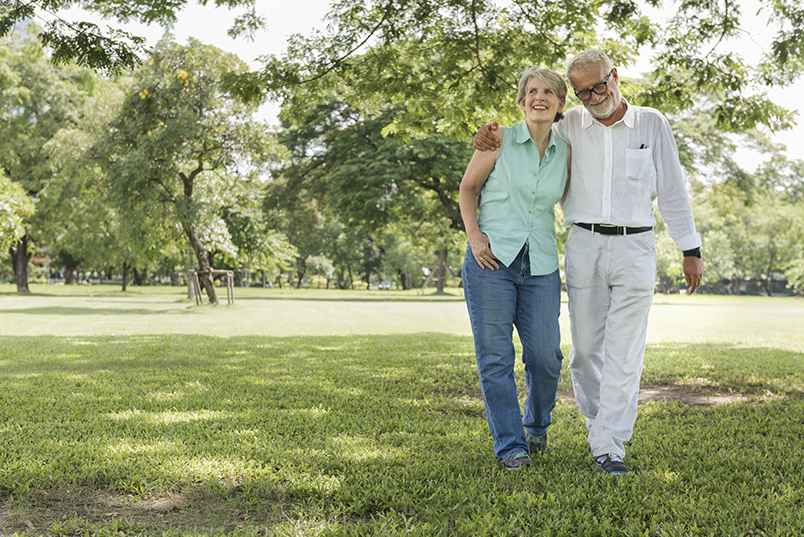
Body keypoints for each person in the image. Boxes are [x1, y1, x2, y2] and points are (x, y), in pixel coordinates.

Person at [474, 50, 704, 475]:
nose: (593, 96)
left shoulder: (651, 123)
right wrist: (491, 136)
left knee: (625, 352)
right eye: (582, 91)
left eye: (599, 85)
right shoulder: (572, 123)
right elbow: (531, 125)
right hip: (583, 245)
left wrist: (690, 248)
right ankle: (600, 426)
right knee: (584, 354)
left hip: (635, 248)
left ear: (615, 77)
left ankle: (608, 445)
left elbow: (673, 189)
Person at [459, 67, 570, 470]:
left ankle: (536, 424)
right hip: (491, 261)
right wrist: (475, 236)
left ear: (560, 103)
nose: (539, 97)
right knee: (495, 357)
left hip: (539, 263)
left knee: (546, 356)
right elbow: (468, 188)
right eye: (532, 91)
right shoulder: (499, 138)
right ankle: (510, 445)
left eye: (549, 93)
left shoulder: (567, 150)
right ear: (522, 100)